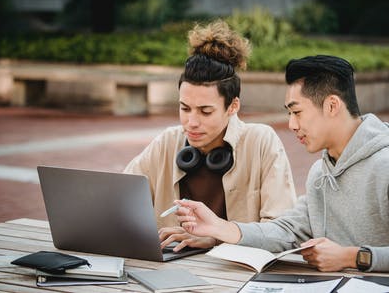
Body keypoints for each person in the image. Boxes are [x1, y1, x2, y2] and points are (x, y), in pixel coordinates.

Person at [174, 54, 389, 273]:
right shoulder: (321, 172)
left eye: (297, 112)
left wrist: (352, 256)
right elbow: (287, 231)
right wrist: (220, 228)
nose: (291, 124)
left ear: (332, 105)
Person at [123, 20, 297, 251]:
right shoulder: (167, 141)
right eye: (185, 108)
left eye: (205, 111)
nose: (191, 122)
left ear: (233, 106)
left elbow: (283, 234)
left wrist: (216, 238)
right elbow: (118, 201)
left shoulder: (261, 142)